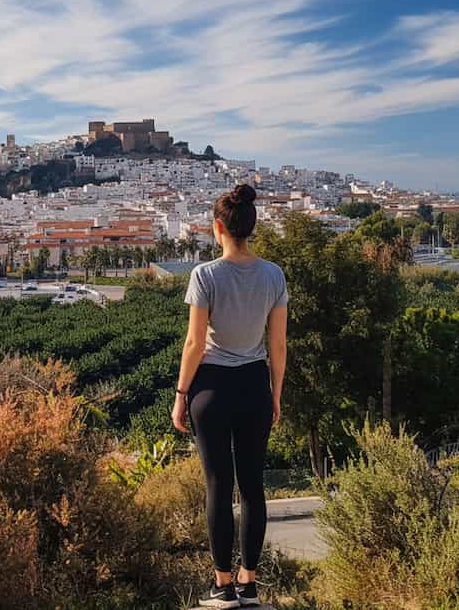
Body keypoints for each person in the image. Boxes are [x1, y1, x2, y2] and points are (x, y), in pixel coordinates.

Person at [171, 184, 288, 609]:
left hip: (212, 389)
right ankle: (250, 584)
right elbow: (278, 345)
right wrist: (275, 393)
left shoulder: (205, 275)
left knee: (218, 486)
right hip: (255, 385)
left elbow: (194, 344)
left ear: (217, 228)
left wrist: (181, 394)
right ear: (249, 228)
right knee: (253, 487)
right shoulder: (274, 275)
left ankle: (223, 587)